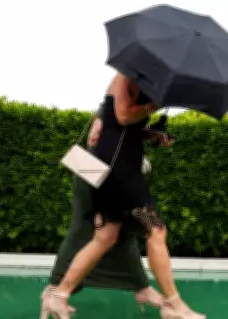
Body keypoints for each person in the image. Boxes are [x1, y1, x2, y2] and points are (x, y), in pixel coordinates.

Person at [41, 72, 205, 319]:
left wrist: (153, 134)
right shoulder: (126, 77)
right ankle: (173, 304)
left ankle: (59, 295)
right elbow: (123, 115)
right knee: (155, 230)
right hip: (118, 172)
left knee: (106, 236)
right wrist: (153, 106)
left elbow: (121, 128)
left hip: (120, 167)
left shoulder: (140, 81)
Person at [41, 102, 164, 313]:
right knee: (86, 230)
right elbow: (95, 137)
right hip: (97, 170)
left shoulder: (135, 105)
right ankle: (54, 289)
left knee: (123, 232)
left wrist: (149, 136)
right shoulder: (119, 101)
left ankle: (142, 287)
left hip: (104, 172)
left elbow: (121, 133)